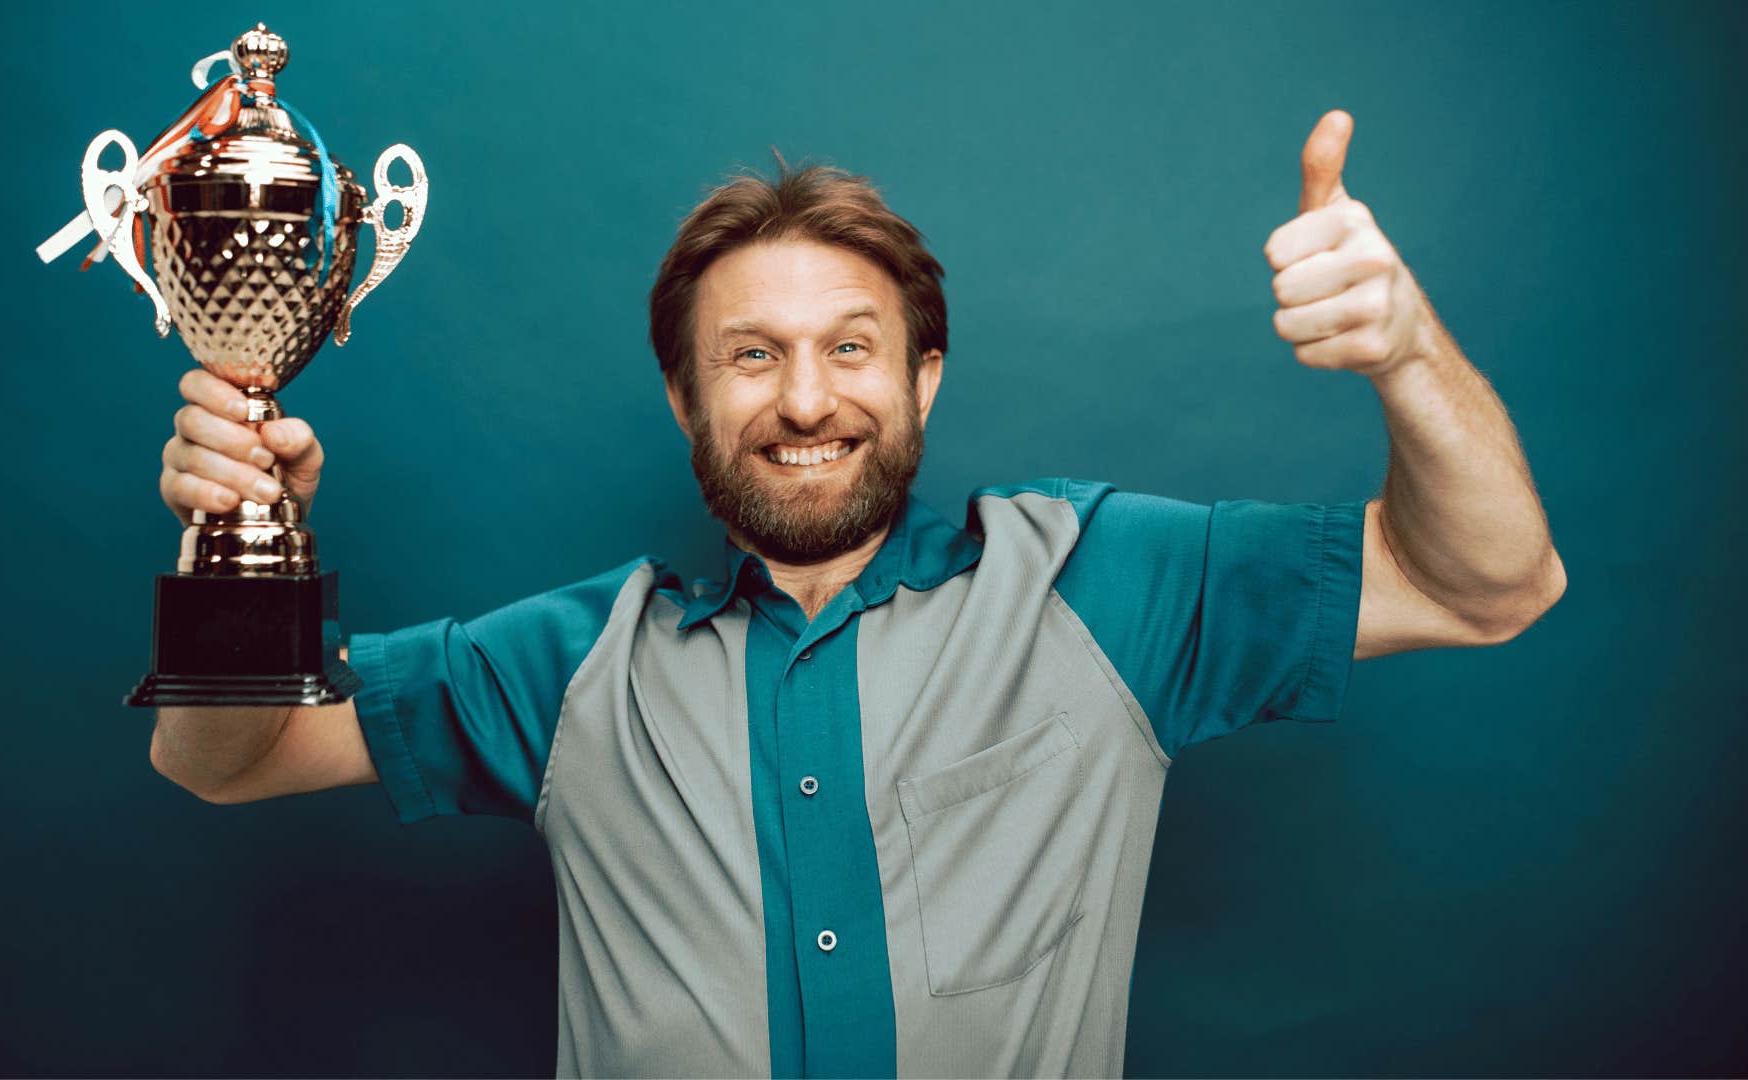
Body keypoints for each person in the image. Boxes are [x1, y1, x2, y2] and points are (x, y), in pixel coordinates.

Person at [148, 110, 1565, 1078]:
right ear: (686, 395)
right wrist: (237, 538)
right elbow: (231, 757)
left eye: (852, 348)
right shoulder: (572, 664)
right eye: (753, 356)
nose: (808, 399)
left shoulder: (1101, 586)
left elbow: (1492, 585)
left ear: (923, 380)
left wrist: (1405, 355)